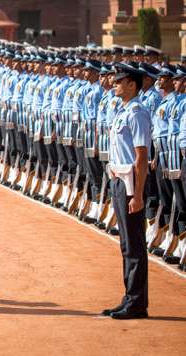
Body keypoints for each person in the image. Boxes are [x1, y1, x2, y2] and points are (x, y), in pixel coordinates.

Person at [102, 63, 151, 319]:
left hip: (131, 183)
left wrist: (138, 194)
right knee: (126, 244)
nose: (114, 84)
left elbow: (141, 157)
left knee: (134, 245)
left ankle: (137, 303)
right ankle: (129, 298)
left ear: (132, 84)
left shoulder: (137, 113)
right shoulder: (123, 111)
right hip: (119, 180)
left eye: (119, 81)